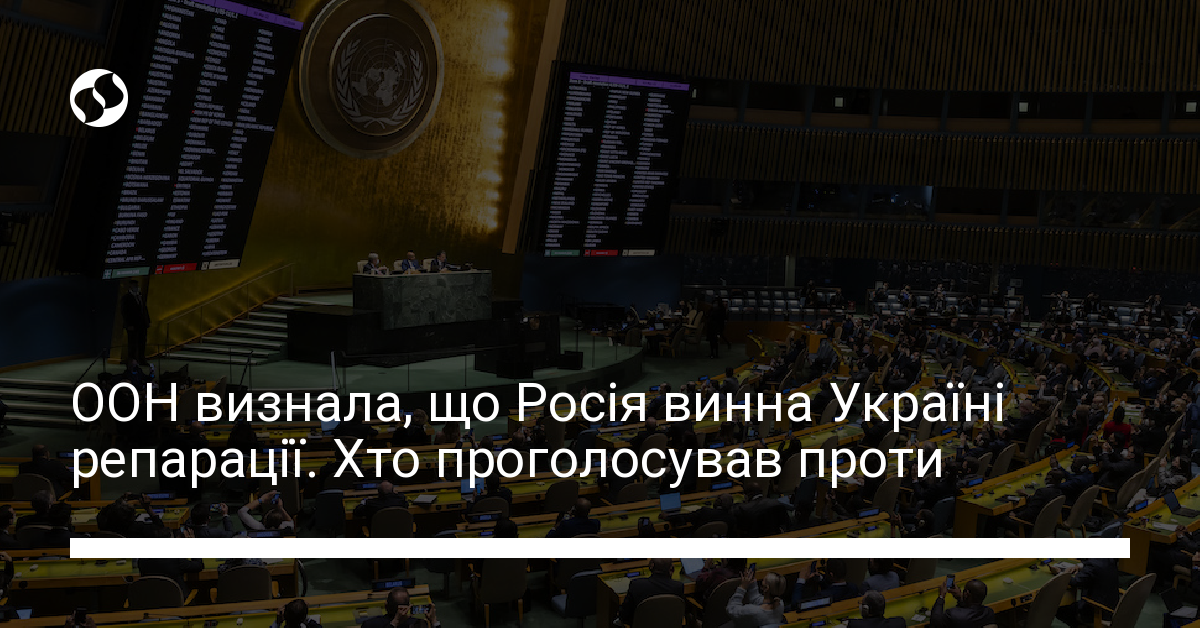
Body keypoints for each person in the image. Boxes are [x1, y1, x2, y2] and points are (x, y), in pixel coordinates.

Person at [1051, 559, 1119, 626]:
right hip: (1112, 609)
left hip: (1097, 611)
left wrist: (1059, 573)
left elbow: (1076, 581)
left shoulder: (1092, 565)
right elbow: (1096, 567)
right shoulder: (1109, 560)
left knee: (1059, 611)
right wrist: (1079, 566)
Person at [619, 558, 685, 624]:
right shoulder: (678, 587)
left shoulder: (636, 585)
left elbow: (624, 615)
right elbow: (684, 611)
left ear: (651, 566)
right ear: (671, 568)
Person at [361, 586, 440, 628]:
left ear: (386, 606)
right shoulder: (420, 624)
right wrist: (434, 621)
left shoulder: (369, 625)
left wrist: (395, 622)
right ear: (408, 607)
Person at [931, 578, 995, 628]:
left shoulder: (952, 614)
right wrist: (960, 598)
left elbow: (936, 622)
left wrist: (941, 596)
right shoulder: (989, 612)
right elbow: (971, 610)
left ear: (967, 594)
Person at [138, 553, 205, 597]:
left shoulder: (142, 561)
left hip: (149, 602)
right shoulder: (176, 560)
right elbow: (198, 566)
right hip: (177, 602)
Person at [121, 279, 151, 365]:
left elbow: (144, 309)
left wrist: (148, 321)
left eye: (137, 285)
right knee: (132, 343)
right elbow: (124, 312)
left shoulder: (140, 296)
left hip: (142, 324)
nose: (136, 287)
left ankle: (141, 359)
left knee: (142, 343)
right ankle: (132, 360)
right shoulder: (126, 298)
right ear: (130, 286)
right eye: (134, 285)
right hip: (132, 325)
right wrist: (128, 324)